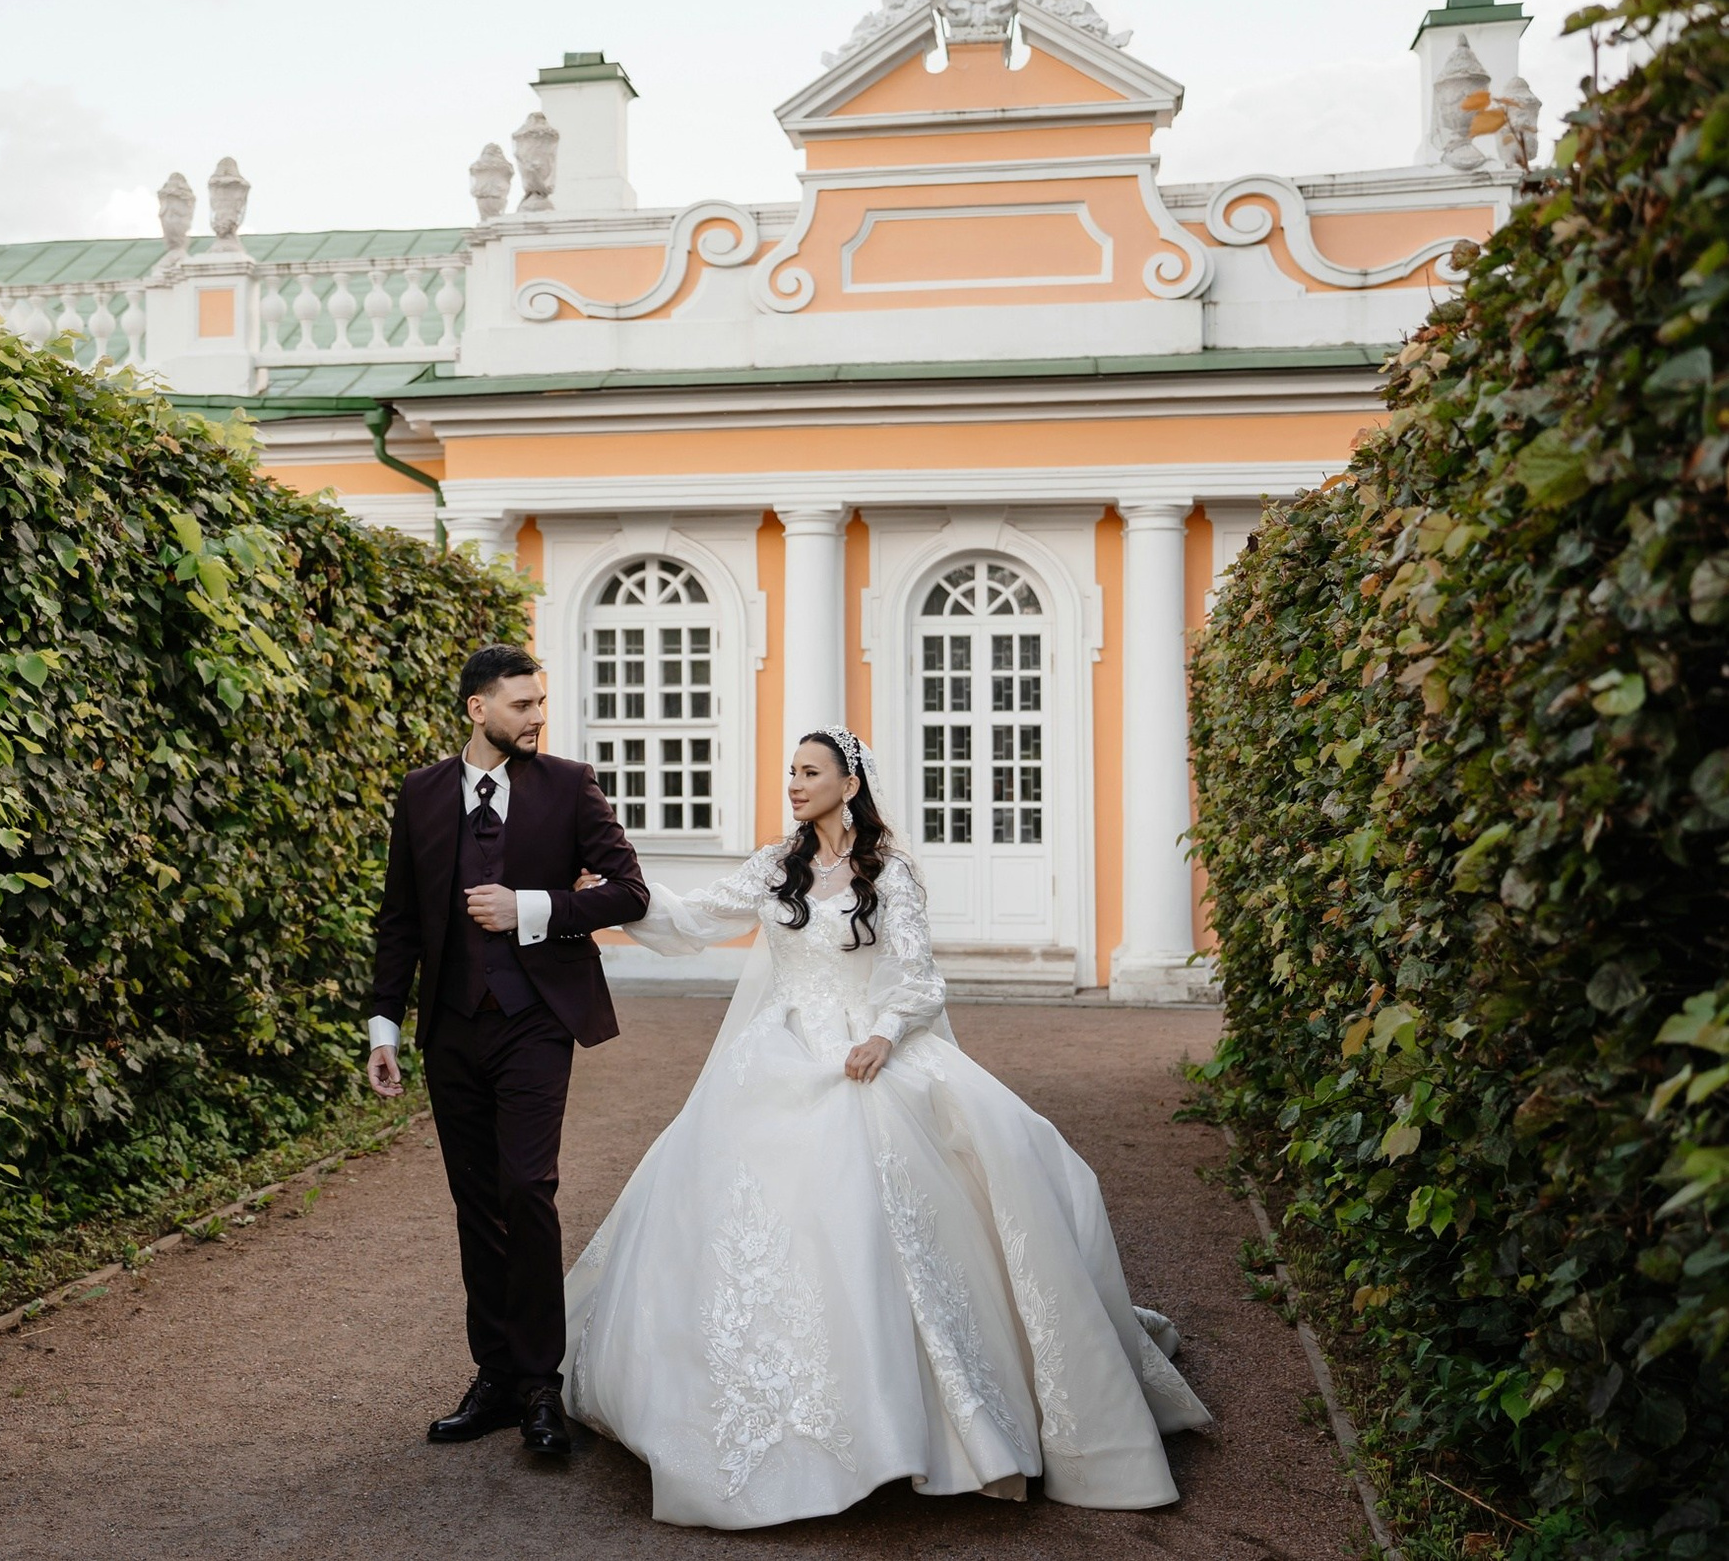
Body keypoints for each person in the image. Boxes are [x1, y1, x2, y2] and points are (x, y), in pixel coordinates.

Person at [559, 727, 1211, 1528]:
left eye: (809, 773)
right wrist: (619, 895)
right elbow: (695, 917)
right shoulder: (776, 863)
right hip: (776, 1054)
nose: (794, 784)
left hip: (868, 1048)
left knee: (926, 1191)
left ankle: (935, 1415)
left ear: (849, 783)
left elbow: (919, 975)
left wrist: (886, 1033)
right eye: (790, 772)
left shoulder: (889, 871)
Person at [368, 644, 649, 1459]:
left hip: (533, 1019)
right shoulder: (420, 793)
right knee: (475, 1201)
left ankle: (540, 1386)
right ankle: (494, 1376)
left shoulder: (568, 785)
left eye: (539, 704)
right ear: (476, 709)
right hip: (452, 1026)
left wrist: (530, 905)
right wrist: (384, 1027)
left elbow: (626, 889)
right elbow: (400, 921)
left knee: (527, 1189)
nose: (536, 716)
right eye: (521, 705)